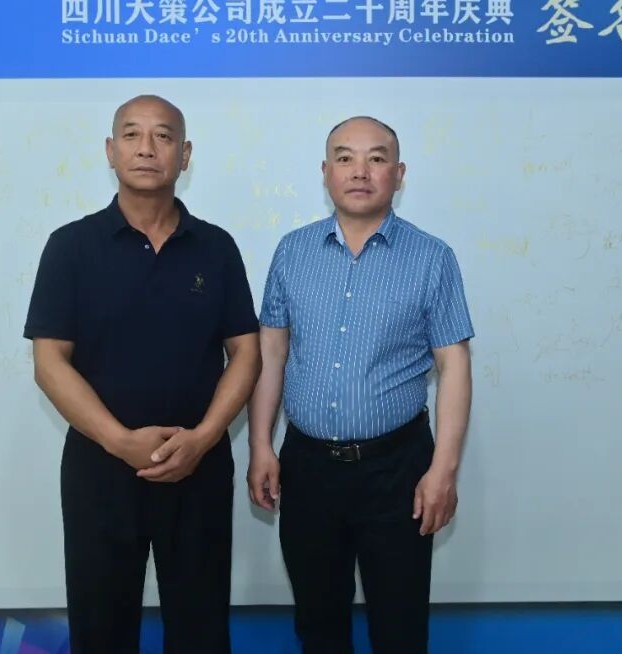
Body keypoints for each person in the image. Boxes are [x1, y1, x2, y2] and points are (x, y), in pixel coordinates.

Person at [24, 95, 261, 654]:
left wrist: (204, 437)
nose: (147, 149)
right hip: (100, 470)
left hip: (198, 467)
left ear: (185, 154)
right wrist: (119, 441)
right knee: (101, 630)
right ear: (111, 151)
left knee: (201, 631)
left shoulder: (216, 247)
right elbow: (49, 362)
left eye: (163, 136)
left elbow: (246, 353)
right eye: (132, 135)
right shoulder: (71, 247)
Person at [246, 116, 474, 653]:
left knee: (399, 626)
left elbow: (454, 367)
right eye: (345, 158)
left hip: (397, 470)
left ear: (399, 173)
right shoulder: (292, 252)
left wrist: (443, 470)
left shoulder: (432, 258)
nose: (360, 171)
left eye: (377, 158)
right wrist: (260, 446)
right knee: (318, 623)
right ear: (325, 172)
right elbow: (271, 353)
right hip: (307, 468)